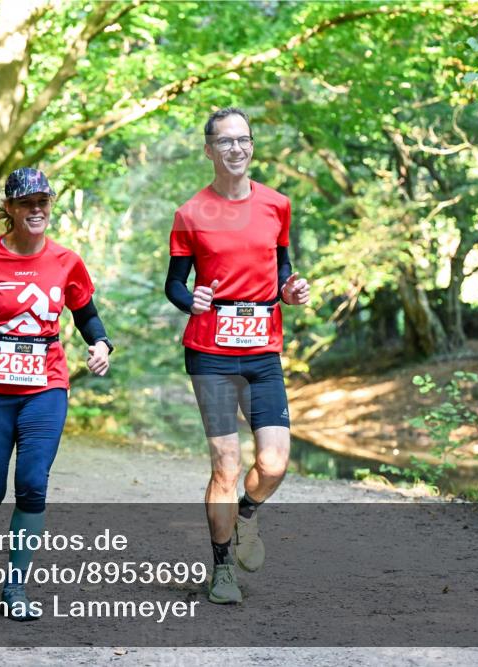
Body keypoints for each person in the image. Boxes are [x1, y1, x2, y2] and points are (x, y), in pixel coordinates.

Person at [0, 167, 114, 621]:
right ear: (9, 209)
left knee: (32, 486)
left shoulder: (67, 261)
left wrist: (101, 344)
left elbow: (86, 314)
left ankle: (15, 587)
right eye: (27, 202)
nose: (37, 209)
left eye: (44, 201)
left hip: (45, 386)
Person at [165, 107, 310, 604]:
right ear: (209, 150)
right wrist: (192, 299)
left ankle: (248, 513)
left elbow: (281, 268)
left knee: (273, 463)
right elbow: (174, 284)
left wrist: (290, 290)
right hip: (210, 352)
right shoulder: (190, 213)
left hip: (263, 350)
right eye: (224, 142)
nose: (235, 149)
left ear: (251, 146)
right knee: (226, 463)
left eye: (243, 140)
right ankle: (222, 569)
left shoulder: (277, 206)